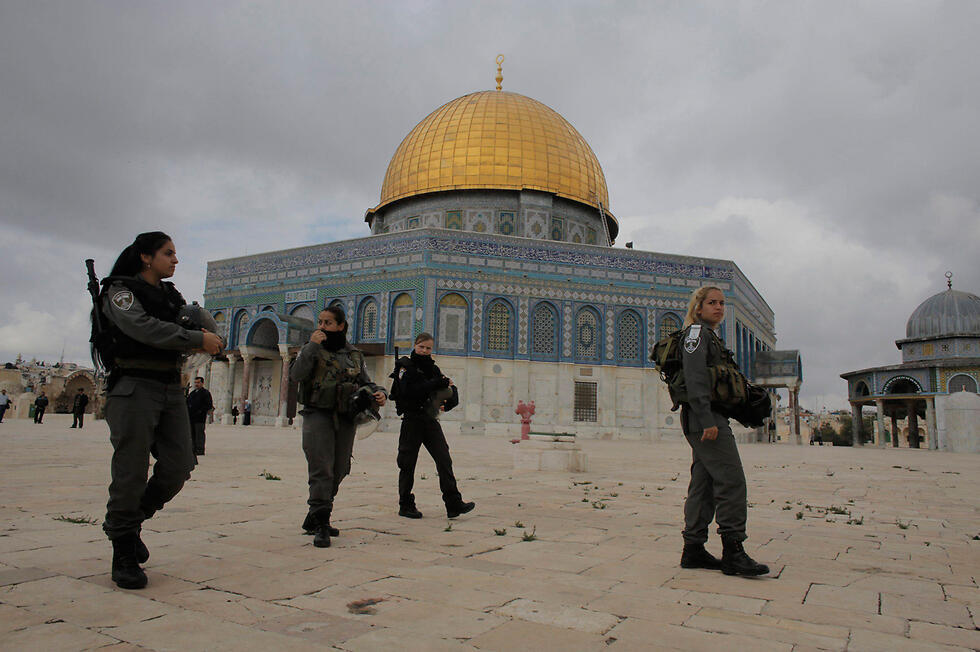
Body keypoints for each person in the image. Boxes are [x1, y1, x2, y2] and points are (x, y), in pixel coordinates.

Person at [94, 231, 222, 589]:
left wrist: (204, 329)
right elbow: (141, 327)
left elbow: (182, 324)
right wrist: (198, 339)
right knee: (131, 469)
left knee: (179, 466)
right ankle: (122, 548)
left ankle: (132, 520)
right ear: (146, 257)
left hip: (168, 388)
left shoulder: (170, 297)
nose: (175, 260)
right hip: (134, 387)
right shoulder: (120, 293)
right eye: (168, 253)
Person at [677, 286, 768, 577]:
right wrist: (707, 420)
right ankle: (733, 551)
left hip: (709, 416)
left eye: (721, 303)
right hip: (705, 417)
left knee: (703, 485)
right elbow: (694, 379)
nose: (718, 308)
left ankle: (693, 549)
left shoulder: (709, 336)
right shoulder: (695, 335)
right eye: (711, 303)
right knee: (731, 480)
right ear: (698, 307)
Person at [290, 305, 386, 548]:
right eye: (320, 322)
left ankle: (315, 515)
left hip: (345, 416)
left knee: (341, 467)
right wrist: (311, 346)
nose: (322, 327)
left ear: (341, 326)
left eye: (328, 323)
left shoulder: (353, 355)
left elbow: (365, 381)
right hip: (317, 414)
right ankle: (322, 522)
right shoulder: (311, 350)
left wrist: (380, 393)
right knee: (321, 468)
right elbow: (297, 375)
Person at [392, 333, 474, 521]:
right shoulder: (405, 367)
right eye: (422, 347)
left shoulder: (433, 368)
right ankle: (405, 504)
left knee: (444, 459)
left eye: (428, 348)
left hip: (429, 420)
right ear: (415, 346)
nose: (425, 351)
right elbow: (410, 391)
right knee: (407, 463)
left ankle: (453, 503)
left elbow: (450, 386)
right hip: (412, 420)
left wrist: (452, 399)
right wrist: (436, 383)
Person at [186, 376, 213, 456]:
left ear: (202, 383)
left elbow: (208, 405)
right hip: (191, 418)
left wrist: (200, 411)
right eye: (195, 382)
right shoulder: (192, 393)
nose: (196, 384)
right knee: (192, 434)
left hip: (199, 418)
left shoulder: (205, 393)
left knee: (199, 434)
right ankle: (193, 449)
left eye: (198, 382)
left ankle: (200, 449)